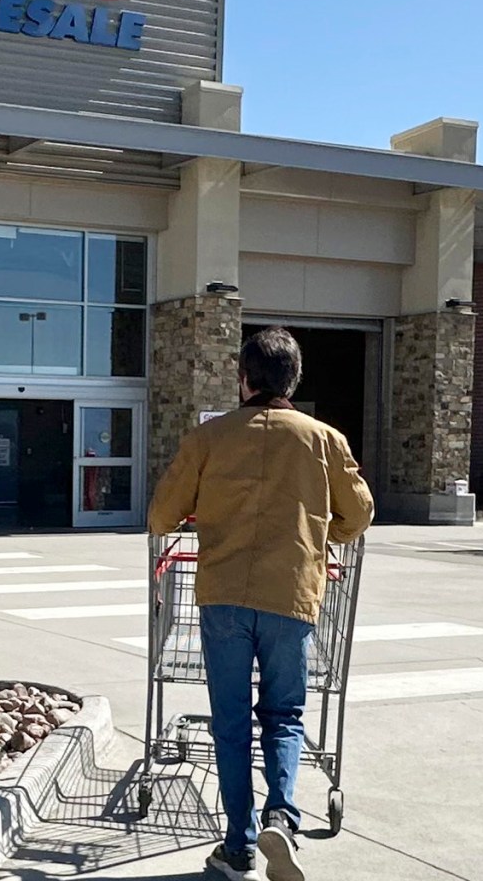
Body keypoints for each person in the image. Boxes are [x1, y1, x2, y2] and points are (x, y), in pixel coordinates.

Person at [146, 328, 374, 881]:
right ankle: (282, 815)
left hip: (223, 596)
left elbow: (160, 517)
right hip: (291, 595)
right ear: (294, 380)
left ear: (243, 378)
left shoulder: (210, 439)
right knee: (284, 713)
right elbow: (359, 514)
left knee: (231, 721)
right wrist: (323, 534)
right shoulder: (325, 440)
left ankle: (238, 844)